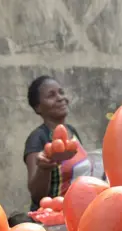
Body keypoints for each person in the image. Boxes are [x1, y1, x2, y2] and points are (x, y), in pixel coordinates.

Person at [23, 76, 92, 210]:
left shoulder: (72, 131)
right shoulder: (38, 138)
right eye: (51, 95)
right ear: (38, 108)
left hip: (81, 211)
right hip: (57, 219)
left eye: (61, 92)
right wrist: (45, 167)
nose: (60, 98)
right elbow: (37, 195)